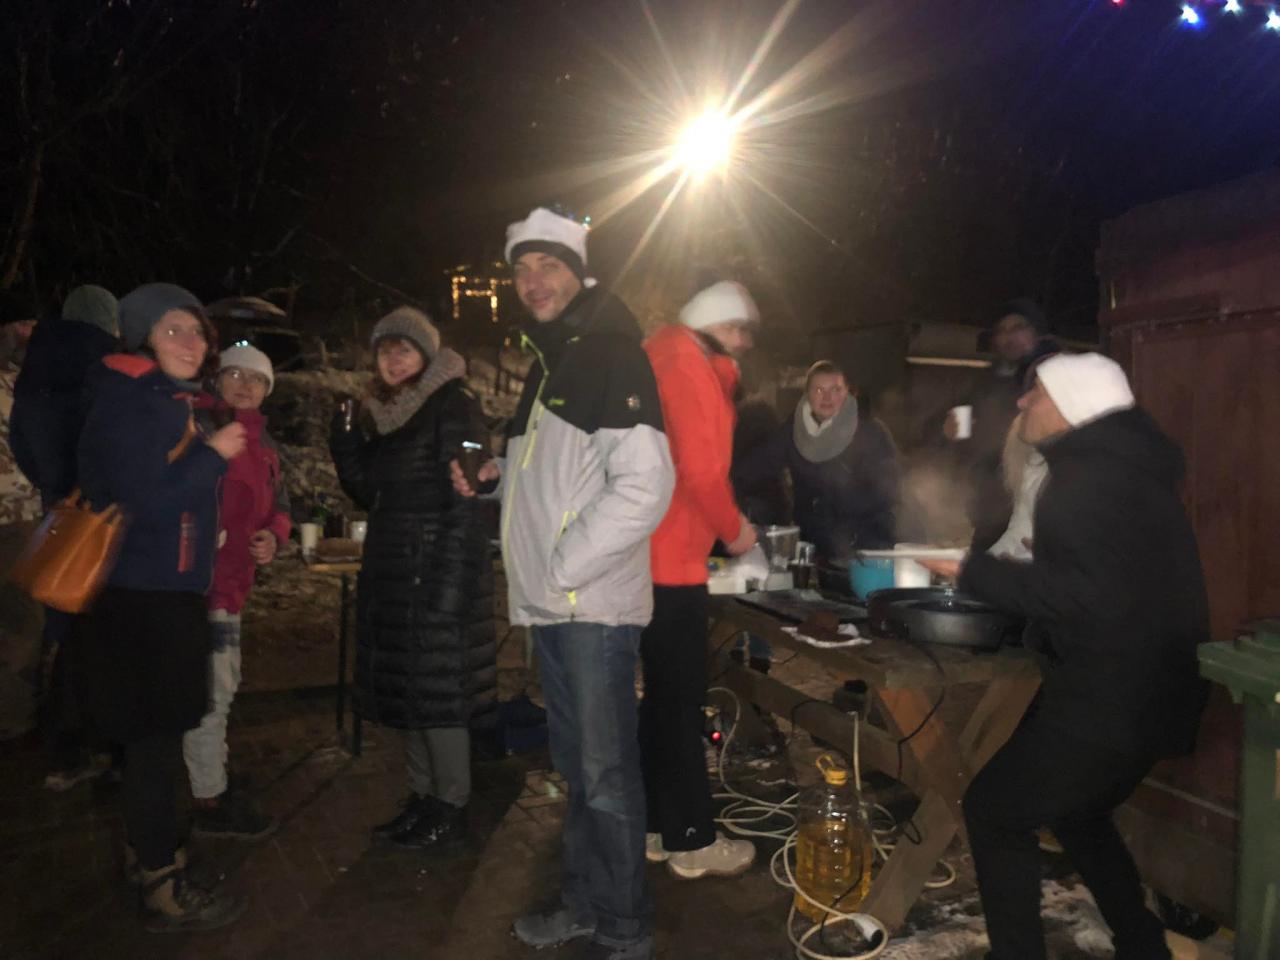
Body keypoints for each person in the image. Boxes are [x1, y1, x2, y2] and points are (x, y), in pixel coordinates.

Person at [922, 353, 1208, 960]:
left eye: (1039, 393)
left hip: (1111, 699)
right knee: (1080, 812)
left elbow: (1081, 597)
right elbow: (1116, 580)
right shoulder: (1124, 471)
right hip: (1159, 695)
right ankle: (1143, 945)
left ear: (1074, 407)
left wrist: (972, 571)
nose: (1023, 401)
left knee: (995, 811)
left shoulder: (1085, 482)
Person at [452, 206, 674, 960]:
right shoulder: (551, 361)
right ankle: (586, 904)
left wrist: (565, 564)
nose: (533, 280)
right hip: (556, 605)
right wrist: (495, 478)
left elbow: (645, 485)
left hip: (590, 608)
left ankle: (625, 928)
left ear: (579, 273)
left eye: (548, 264)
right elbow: (556, 480)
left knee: (605, 775)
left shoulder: (611, 354)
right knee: (580, 773)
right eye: (521, 268)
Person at [76, 283, 247, 932]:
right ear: (143, 336)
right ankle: (161, 883)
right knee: (154, 743)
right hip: (144, 597)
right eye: (174, 329)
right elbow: (143, 498)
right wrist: (212, 456)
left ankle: (148, 854)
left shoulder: (160, 397)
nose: (191, 342)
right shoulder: (134, 398)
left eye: (197, 331)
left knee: (155, 737)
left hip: (156, 591)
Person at [331, 307, 495, 850]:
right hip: (398, 577)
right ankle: (423, 798)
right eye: (385, 351)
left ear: (427, 354)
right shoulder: (393, 414)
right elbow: (369, 491)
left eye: (404, 349)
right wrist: (346, 438)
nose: (394, 359)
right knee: (414, 694)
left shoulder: (453, 404)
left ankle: (451, 803)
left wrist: (450, 588)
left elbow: (468, 502)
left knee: (440, 697)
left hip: (436, 576)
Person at [639, 280, 759, 880]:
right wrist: (737, 532)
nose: (745, 342)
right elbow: (702, 470)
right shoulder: (687, 365)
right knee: (681, 703)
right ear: (713, 324)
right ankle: (690, 839)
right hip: (671, 564)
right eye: (739, 328)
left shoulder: (663, 355)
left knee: (662, 703)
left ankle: (655, 827)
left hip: (649, 559)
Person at [9, 284, 120, 785]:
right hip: (100, 519)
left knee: (63, 629)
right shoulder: (104, 362)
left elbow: (22, 442)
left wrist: (55, 489)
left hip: (58, 514)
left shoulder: (35, 367)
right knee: (100, 634)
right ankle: (94, 745)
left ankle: (61, 743)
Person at [182, 344, 291, 838]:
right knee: (213, 690)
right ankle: (208, 795)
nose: (245, 385)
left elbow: (279, 506)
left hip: (233, 585)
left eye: (256, 379)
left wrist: (274, 535)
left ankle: (212, 774)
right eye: (234, 375)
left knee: (220, 684)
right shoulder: (198, 427)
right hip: (200, 585)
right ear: (217, 380)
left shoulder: (264, 441)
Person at [735, 360, 899, 563]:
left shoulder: (871, 432)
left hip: (862, 546)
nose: (827, 398)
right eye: (819, 390)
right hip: (813, 545)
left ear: (848, 392)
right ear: (807, 394)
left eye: (836, 390)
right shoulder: (795, 430)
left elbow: (888, 493)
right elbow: (758, 466)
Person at [944, 298, 1054, 551]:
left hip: (1036, 498)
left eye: (1018, 328)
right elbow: (963, 437)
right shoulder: (985, 381)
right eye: (1002, 331)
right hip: (990, 502)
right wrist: (950, 433)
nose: (1009, 337)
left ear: (1036, 332)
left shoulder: (1050, 373)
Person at [0, 291, 44, 741]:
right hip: (13, 520)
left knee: (22, 621)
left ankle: (13, 715)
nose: (31, 333)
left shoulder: (21, 381)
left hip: (21, 517)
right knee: (21, 621)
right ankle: (12, 719)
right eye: (25, 324)